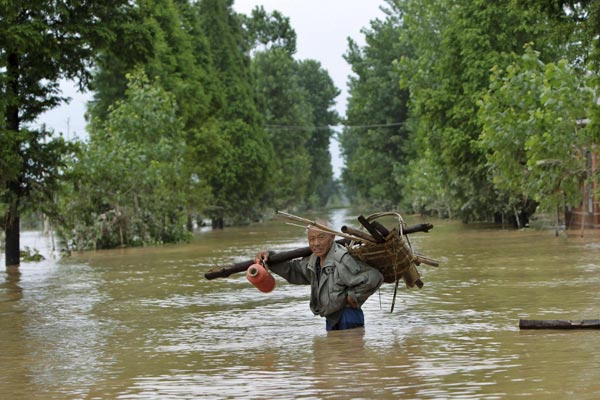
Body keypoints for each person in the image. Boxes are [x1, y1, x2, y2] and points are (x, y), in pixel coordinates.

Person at [255, 221, 384, 331]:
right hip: (331, 319)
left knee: (349, 358)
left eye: (321, 237)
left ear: (332, 237)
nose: (316, 243)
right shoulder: (312, 261)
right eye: (312, 239)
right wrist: (269, 257)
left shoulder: (342, 259)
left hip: (348, 317)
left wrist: (353, 297)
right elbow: (293, 271)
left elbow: (374, 277)